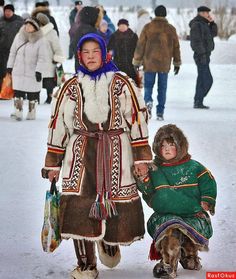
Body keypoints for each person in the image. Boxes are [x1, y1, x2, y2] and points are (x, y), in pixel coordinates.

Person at [41, 33, 152, 279]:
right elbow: (58, 124)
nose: (91, 57)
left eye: (95, 51)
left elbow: (137, 119)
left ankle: (108, 241)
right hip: (79, 153)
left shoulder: (122, 83)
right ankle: (86, 265)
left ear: (104, 54)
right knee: (77, 207)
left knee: (114, 208)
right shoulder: (69, 88)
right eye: (86, 52)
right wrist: (53, 162)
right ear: (80, 56)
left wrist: (142, 157)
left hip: (116, 151)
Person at [134, 124, 217, 278]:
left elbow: (208, 182)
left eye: (171, 145)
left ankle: (189, 255)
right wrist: (143, 177)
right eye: (162, 145)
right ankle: (168, 265)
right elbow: (148, 190)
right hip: (166, 214)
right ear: (157, 148)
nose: (166, 149)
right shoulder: (154, 169)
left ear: (181, 146)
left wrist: (207, 200)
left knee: (187, 231)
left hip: (193, 214)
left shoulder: (193, 167)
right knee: (170, 231)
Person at [133, 5, 181, 120]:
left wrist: (137, 61)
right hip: (164, 64)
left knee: (148, 86)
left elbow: (140, 46)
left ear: (155, 14)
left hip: (149, 63)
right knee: (162, 88)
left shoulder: (148, 27)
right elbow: (176, 47)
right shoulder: (171, 29)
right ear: (165, 14)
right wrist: (177, 63)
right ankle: (160, 112)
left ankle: (148, 102)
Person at [7, 17, 48, 120]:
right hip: (18, 70)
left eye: (30, 25)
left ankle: (31, 112)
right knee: (18, 92)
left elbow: (42, 58)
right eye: (26, 24)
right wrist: (9, 66)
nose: (27, 27)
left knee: (32, 94)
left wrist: (39, 71)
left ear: (35, 27)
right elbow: (12, 53)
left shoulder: (41, 40)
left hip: (32, 71)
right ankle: (18, 112)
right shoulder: (19, 36)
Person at [189, 6, 218, 109]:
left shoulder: (205, 24)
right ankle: (198, 100)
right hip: (201, 55)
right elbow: (195, 42)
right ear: (201, 13)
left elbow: (214, 34)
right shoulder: (197, 24)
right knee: (207, 79)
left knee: (202, 78)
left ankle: (198, 101)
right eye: (206, 12)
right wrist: (202, 54)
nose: (208, 14)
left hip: (206, 55)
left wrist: (212, 23)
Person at [36, 12, 65, 104]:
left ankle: (49, 98)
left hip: (49, 61)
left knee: (48, 82)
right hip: (37, 61)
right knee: (37, 81)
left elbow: (57, 47)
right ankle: (36, 98)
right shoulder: (34, 32)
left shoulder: (52, 33)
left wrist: (57, 58)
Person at [71, 6, 102, 72]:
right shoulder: (90, 31)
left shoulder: (79, 29)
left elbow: (73, 47)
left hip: (81, 68)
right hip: (89, 69)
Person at [0, 4, 23, 91]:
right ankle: (3, 91)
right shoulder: (1, 21)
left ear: (13, 12)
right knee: (3, 72)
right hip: (2, 52)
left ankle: (18, 90)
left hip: (16, 51)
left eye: (9, 11)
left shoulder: (20, 21)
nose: (7, 13)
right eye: (6, 11)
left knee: (16, 72)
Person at [107, 19, 138, 83]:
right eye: (120, 26)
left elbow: (137, 48)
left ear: (127, 26)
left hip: (130, 62)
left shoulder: (133, 35)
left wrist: (136, 57)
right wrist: (110, 52)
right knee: (119, 81)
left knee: (131, 82)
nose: (122, 27)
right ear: (118, 26)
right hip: (118, 62)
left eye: (124, 25)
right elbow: (109, 47)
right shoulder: (114, 36)